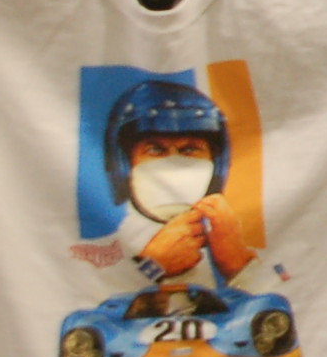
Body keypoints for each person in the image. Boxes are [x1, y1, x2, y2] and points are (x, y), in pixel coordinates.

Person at [101, 80, 259, 290]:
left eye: (190, 150)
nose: (174, 166)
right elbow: (87, 299)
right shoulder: (100, 255)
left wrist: (240, 267)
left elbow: (293, 294)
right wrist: (152, 267)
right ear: (125, 164)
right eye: (155, 150)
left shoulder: (237, 249)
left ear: (216, 164)